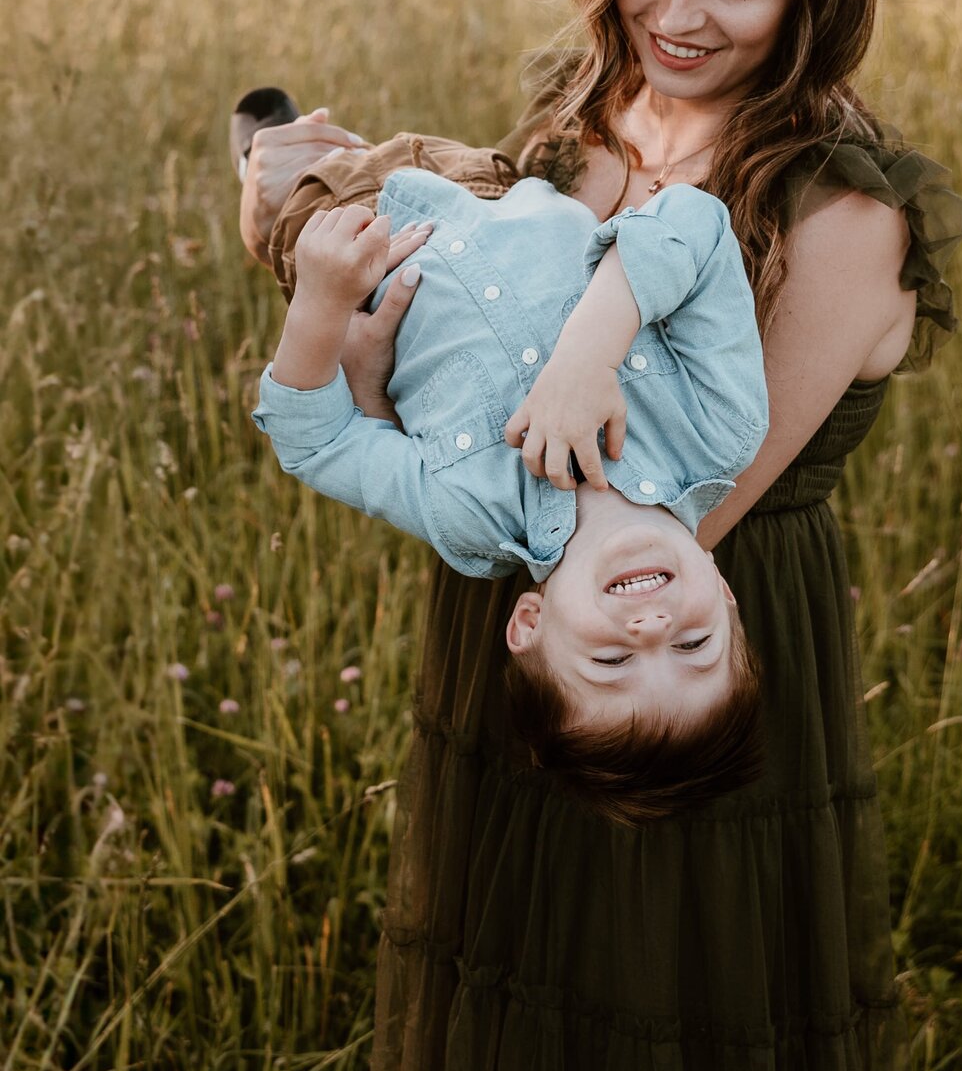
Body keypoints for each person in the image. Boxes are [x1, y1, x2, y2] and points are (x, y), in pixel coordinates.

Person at [238, 0, 962, 1071]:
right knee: (518, 984)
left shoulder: (834, 213)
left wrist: (494, 380)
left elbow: (685, 514)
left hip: (680, 637)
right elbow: (442, 351)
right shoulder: (587, 115)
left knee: (669, 1007)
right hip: (521, 620)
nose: (677, 16)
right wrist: (336, 285)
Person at [250, 170, 769, 820]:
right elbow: (692, 220)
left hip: (359, 235)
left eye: (612, 659)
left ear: (530, 625)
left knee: (279, 171)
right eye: (694, 647)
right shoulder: (719, 429)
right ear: (725, 595)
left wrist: (321, 307)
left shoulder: (468, 513)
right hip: (483, 174)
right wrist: (588, 355)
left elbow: (313, 444)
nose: (653, 627)